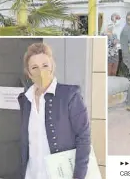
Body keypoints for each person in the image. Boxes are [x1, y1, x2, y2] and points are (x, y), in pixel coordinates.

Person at [18, 43, 91, 179]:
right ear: (28, 73)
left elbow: (84, 137)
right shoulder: (25, 99)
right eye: (34, 67)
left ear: (53, 66)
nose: (41, 71)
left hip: (61, 174)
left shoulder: (70, 95)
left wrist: (79, 176)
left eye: (45, 65)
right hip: (31, 174)